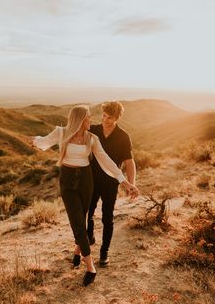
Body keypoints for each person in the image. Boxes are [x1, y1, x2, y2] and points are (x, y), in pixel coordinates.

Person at [32, 105, 138, 287]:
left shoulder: (93, 137)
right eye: (89, 117)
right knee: (78, 221)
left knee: (85, 218)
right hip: (68, 180)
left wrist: (125, 181)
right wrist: (34, 140)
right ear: (80, 120)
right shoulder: (61, 132)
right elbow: (43, 142)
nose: (94, 120)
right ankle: (90, 266)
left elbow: (108, 161)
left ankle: (82, 251)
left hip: (87, 181)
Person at [87, 101, 136, 267]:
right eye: (104, 115)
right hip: (91, 180)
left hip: (110, 183)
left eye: (109, 117)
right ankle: (89, 236)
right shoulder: (93, 130)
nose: (105, 119)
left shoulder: (123, 136)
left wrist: (131, 184)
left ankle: (104, 252)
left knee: (107, 218)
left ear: (117, 118)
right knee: (88, 212)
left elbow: (129, 162)